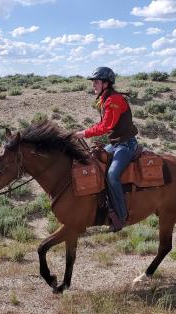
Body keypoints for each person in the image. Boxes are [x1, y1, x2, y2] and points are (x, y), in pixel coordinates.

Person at [72, 66, 139, 231]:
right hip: (116, 144)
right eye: (93, 82)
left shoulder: (113, 100)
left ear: (106, 83)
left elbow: (106, 126)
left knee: (112, 175)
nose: (93, 85)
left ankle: (121, 217)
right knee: (94, 162)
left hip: (126, 145)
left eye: (96, 82)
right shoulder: (106, 98)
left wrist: (83, 133)